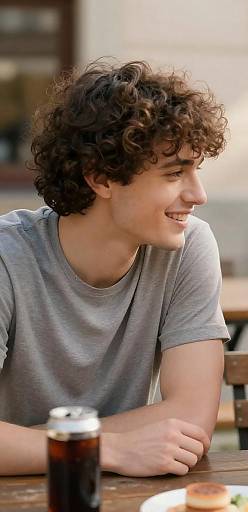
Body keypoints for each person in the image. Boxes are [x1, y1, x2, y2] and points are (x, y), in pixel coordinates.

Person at [0, 61, 230, 477]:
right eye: (175, 173)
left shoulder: (188, 245)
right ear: (102, 178)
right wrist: (104, 449)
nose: (198, 194)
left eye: (196, 170)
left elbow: (192, 421)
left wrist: (26, 444)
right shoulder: (6, 257)